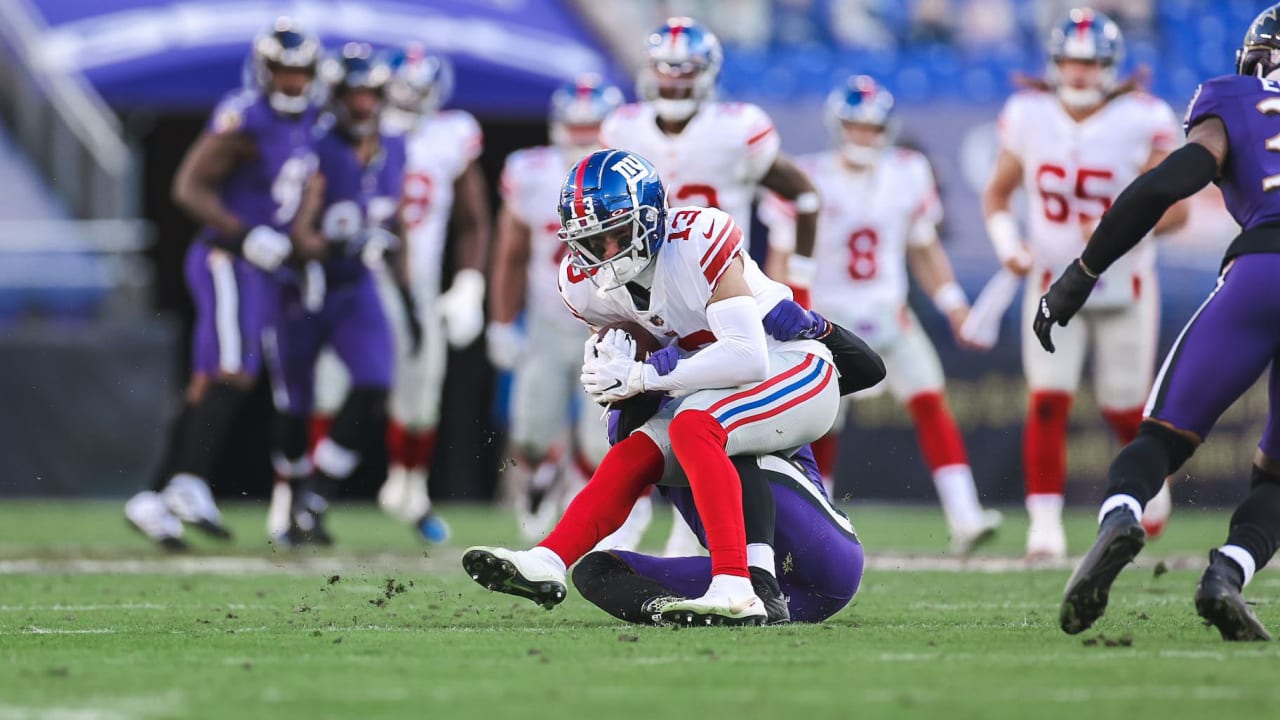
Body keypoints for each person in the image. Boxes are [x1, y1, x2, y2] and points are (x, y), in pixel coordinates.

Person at [462, 149, 841, 626]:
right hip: (717, 392)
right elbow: (634, 347)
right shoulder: (583, 284)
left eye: (615, 234)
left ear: (649, 219)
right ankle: (550, 557)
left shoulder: (697, 239)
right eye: (590, 240)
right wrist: (609, 365)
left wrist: (643, 376)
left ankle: (734, 585)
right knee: (636, 448)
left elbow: (748, 355)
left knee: (693, 425)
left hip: (795, 369)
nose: (603, 253)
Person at [1048, 6, 1280, 642]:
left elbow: (1161, 187)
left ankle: (1123, 515)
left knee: (1163, 437)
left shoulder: (1232, 98)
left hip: (1263, 270)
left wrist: (1082, 273)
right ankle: (1226, 575)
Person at [600, 16, 824, 557]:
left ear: (706, 76)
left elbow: (804, 195)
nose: (674, 82)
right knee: (630, 405)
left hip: (721, 291)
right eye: (665, 71)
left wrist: (798, 279)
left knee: (703, 412)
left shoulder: (737, 126)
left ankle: (694, 533)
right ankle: (626, 521)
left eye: (685, 72)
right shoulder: (623, 127)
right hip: (652, 295)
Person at [761, 75, 1002, 554]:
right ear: (837, 126)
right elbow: (781, 258)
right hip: (827, 322)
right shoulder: (809, 177)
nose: (862, 135)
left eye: (870, 128)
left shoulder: (909, 171)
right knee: (820, 423)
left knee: (932, 402)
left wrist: (953, 302)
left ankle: (965, 514)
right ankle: (816, 519)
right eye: (853, 125)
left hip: (890, 314)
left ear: (886, 130)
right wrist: (777, 317)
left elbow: (924, 247)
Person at [981, 8, 1185, 561]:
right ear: (1055, 62)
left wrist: (1121, 230)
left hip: (1123, 285)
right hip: (1053, 282)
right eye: (1071, 61)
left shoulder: (1143, 117)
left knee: (1124, 408)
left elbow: (1177, 211)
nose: (1079, 73)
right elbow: (998, 194)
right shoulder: (1027, 112)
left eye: (1090, 63)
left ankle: (1147, 492)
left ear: (1110, 66)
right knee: (1047, 400)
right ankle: (1043, 525)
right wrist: (1009, 246)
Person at [125, 17, 322, 549]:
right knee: (234, 370)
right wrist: (244, 232)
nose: (291, 82)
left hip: (262, 265)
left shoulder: (311, 122)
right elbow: (188, 187)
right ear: (264, 71)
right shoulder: (247, 116)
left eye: (299, 72)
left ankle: (154, 493)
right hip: (226, 258)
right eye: (282, 71)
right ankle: (187, 480)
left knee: (210, 378)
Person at [307, 44, 490, 543]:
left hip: (418, 283)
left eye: (419, 90)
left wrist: (469, 283)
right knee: (330, 386)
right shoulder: (358, 129)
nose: (408, 99)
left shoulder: (451, 134)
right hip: (353, 278)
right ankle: (305, 497)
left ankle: (408, 490)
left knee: (420, 395)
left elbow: (474, 218)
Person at [487, 75, 651, 544]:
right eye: (574, 126)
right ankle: (546, 471)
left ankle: (581, 500)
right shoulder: (533, 173)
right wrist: (502, 321)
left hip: (608, 324)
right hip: (547, 320)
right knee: (532, 432)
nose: (581, 135)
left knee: (599, 437)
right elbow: (511, 254)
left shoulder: (627, 176)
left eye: (590, 126)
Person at [265, 44, 408, 545]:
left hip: (356, 285)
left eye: (371, 94)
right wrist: (336, 244)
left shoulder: (394, 147)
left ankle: (316, 495)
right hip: (303, 287)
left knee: (373, 383)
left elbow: (398, 222)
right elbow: (297, 231)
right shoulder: (314, 146)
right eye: (354, 94)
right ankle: (293, 499)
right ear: (336, 96)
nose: (364, 105)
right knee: (294, 406)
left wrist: (407, 291)